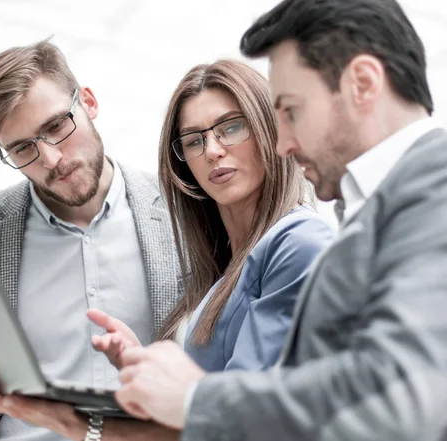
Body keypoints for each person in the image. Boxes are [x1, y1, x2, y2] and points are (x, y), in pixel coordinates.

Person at [109, 1, 447, 441]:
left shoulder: (433, 188)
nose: (282, 143)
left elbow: (398, 398)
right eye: (193, 141)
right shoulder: (378, 210)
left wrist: (195, 398)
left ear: (363, 83)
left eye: (289, 110)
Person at [0, 59, 333, 439]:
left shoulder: (298, 244)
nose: (212, 151)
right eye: (193, 140)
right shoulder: (224, 262)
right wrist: (144, 363)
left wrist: (59, 418)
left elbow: (239, 425)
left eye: (231, 127)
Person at [0, 39, 182, 441]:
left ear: (89, 102)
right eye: (22, 149)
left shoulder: (181, 214)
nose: (50, 159)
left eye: (55, 127)